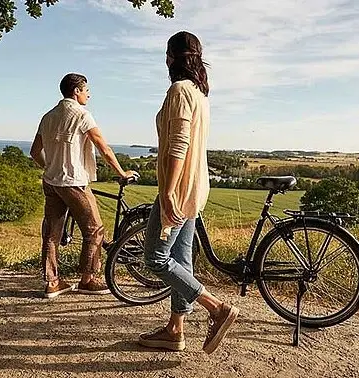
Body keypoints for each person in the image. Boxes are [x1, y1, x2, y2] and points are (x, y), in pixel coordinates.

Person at [136, 31, 240, 355]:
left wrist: (167, 191)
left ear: (171, 57)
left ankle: (217, 308)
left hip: (179, 188)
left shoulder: (180, 90)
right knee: (181, 259)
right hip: (196, 187)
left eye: (166, 54)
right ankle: (175, 330)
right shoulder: (200, 93)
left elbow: (179, 144)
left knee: (155, 257)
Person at [30, 73, 137, 299]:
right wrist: (121, 172)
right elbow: (103, 148)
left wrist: (50, 167)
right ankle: (88, 279)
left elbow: (34, 152)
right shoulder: (82, 115)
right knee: (95, 229)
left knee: (51, 233)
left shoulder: (47, 116)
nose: (89, 93)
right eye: (86, 89)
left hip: (51, 182)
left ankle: (52, 283)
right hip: (74, 182)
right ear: (76, 91)